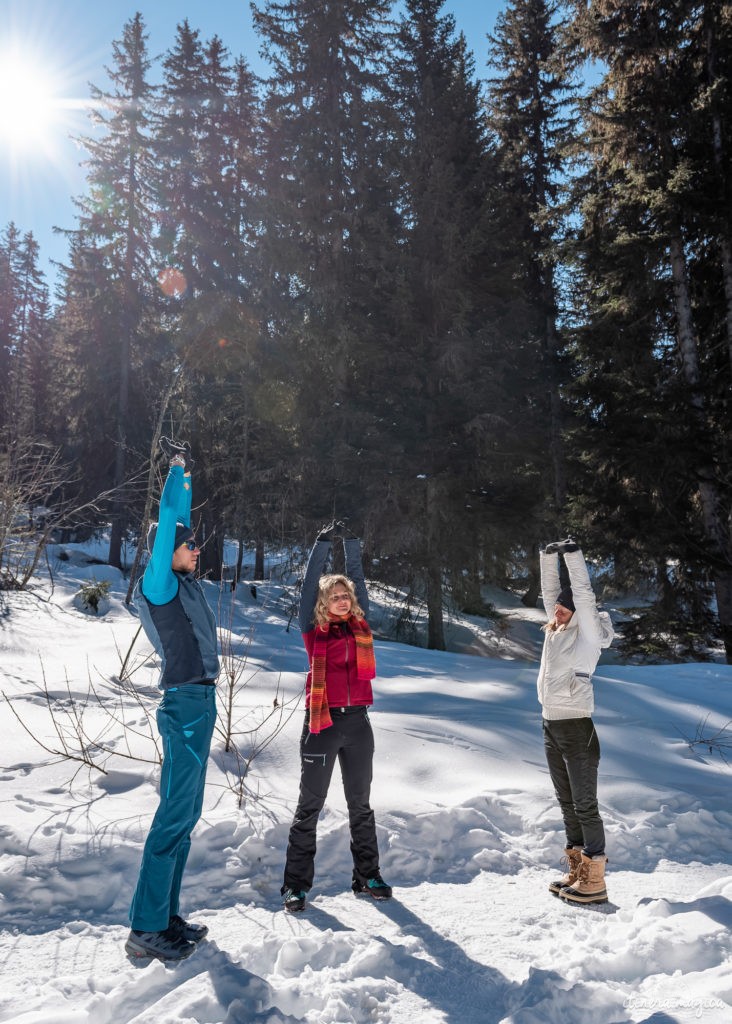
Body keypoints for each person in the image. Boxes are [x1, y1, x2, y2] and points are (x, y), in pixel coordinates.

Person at [125, 438, 220, 960]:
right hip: (184, 705)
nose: (196, 548)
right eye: (189, 544)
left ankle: (165, 916)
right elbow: (168, 523)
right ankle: (145, 928)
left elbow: (179, 520)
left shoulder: (185, 583)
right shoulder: (159, 584)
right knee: (173, 815)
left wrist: (187, 476)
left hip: (200, 705)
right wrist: (174, 471)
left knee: (186, 815)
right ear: (168, 549)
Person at [280, 522, 391, 913]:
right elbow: (310, 583)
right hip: (322, 725)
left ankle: (368, 876)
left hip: (358, 725)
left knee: (360, 804)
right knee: (309, 806)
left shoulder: (361, 628)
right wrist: (323, 544)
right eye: (335, 596)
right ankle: (294, 886)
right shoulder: (314, 632)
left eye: (346, 595)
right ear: (323, 603)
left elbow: (358, 577)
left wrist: (354, 544)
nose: (342, 600)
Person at [538, 538, 614, 905]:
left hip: (577, 727)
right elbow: (553, 591)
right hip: (551, 724)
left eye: (565, 609)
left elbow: (581, 594)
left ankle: (595, 879)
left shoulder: (586, 638)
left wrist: (572, 555)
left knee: (585, 804)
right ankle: (577, 869)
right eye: (557, 608)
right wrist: (547, 557)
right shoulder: (555, 631)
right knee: (566, 802)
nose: (558, 610)